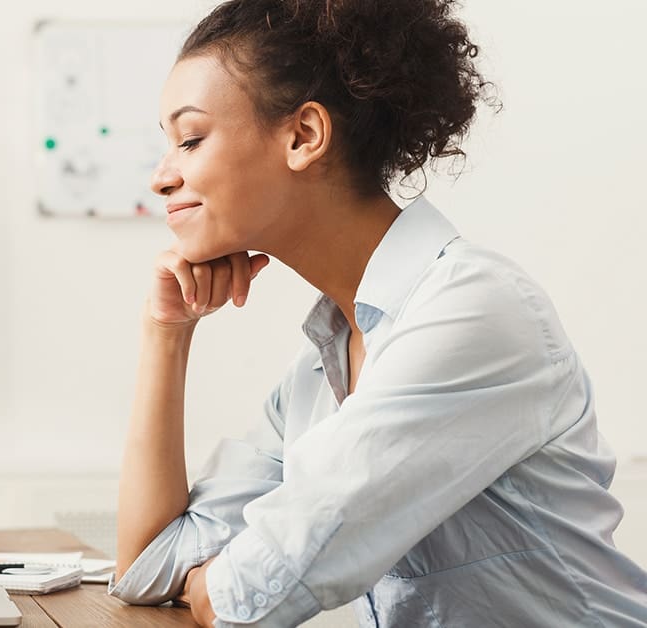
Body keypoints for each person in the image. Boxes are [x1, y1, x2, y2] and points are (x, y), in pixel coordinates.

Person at [109, 1, 647, 626]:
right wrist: (166, 335)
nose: (160, 177)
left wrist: (212, 583)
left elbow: (250, 596)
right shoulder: (318, 374)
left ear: (304, 136)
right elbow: (146, 567)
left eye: (191, 140)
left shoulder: (473, 311)